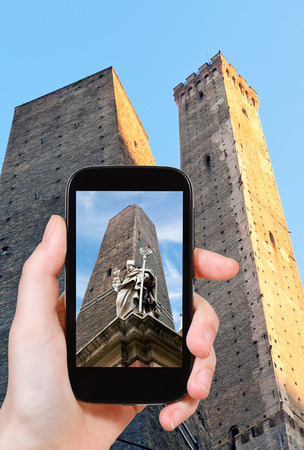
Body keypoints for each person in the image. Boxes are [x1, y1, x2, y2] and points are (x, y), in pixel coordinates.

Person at [0, 215, 239, 449]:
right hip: (124, 309)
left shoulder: (141, 273)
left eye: (131, 266)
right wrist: (28, 436)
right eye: (129, 266)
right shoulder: (129, 276)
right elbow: (120, 285)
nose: (129, 267)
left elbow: (146, 279)